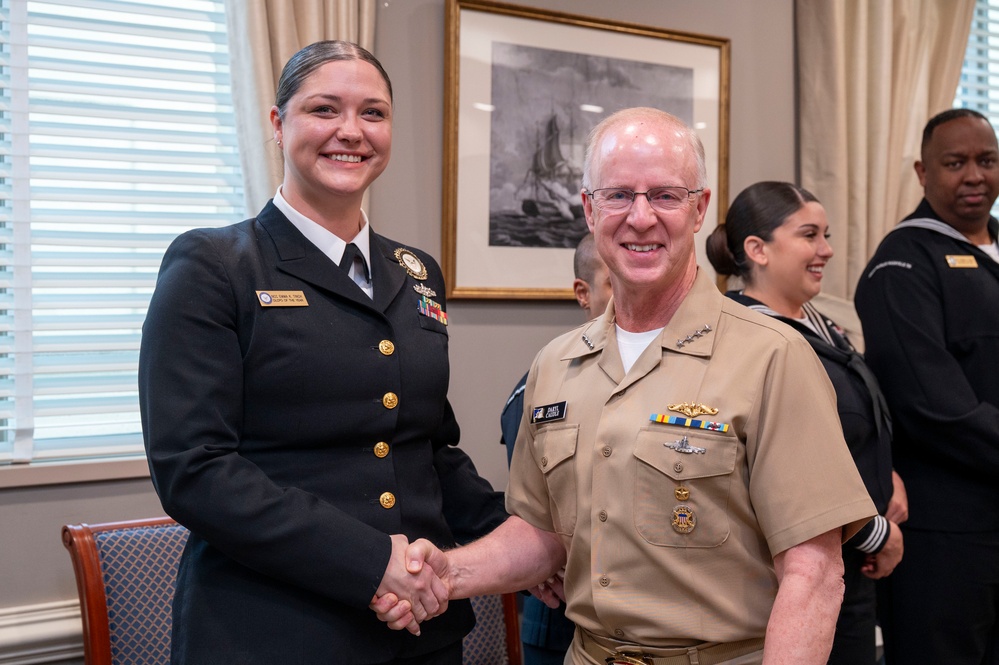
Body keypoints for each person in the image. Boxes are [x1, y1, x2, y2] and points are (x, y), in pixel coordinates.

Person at [376, 107, 876, 664]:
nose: (641, 218)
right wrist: (451, 571)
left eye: (665, 195)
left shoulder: (773, 357)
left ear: (698, 209)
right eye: (618, 196)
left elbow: (814, 573)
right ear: (589, 210)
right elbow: (543, 536)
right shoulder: (556, 365)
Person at [138, 40, 506, 665]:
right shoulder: (213, 265)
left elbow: (427, 449)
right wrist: (372, 563)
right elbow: (194, 470)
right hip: (273, 631)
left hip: (419, 630)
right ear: (279, 125)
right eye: (324, 109)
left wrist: (516, 540)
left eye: (373, 113)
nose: (351, 132)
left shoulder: (417, 272)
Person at [705, 181, 905, 664]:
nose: (827, 250)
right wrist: (875, 531)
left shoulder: (821, 324)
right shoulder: (747, 338)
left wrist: (886, 475)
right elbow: (781, 471)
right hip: (793, 573)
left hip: (850, 564)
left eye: (827, 235)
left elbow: (849, 423)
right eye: (810, 235)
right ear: (758, 250)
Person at [854, 107, 999, 665]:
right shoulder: (903, 264)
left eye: (986, 160)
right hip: (948, 536)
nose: (973, 175)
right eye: (954, 162)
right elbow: (936, 408)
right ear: (922, 172)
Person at [499, 232, 611, 665]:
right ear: (583, 293)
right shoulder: (544, 386)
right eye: (611, 280)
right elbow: (538, 513)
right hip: (562, 618)